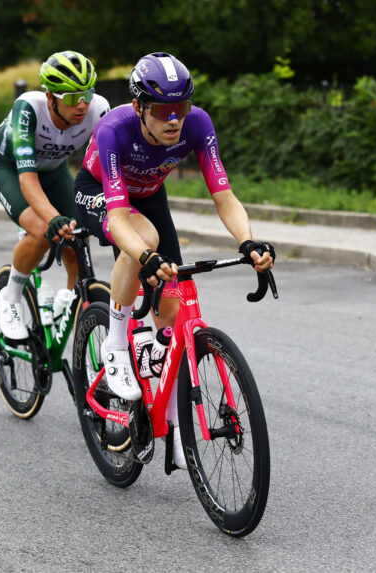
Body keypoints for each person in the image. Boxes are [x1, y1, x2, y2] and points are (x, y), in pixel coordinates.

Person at [73, 52, 275, 468]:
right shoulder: (114, 129)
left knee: (172, 307)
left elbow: (224, 195)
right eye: (162, 110)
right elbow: (118, 217)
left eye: (180, 108)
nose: (173, 119)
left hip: (149, 197)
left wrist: (247, 241)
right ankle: (115, 344)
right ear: (139, 107)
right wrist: (144, 255)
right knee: (144, 241)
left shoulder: (198, 124)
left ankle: (171, 422)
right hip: (99, 192)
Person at [0, 50, 109, 341]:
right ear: (50, 97)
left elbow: (108, 169)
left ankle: (68, 302)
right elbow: (27, 179)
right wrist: (54, 218)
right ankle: (11, 296)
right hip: (11, 170)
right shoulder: (28, 108)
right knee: (42, 229)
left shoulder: (100, 109)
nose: (81, 105)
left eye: (87, 94)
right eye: (71, 97)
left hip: (55, 172)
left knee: (77, 238)